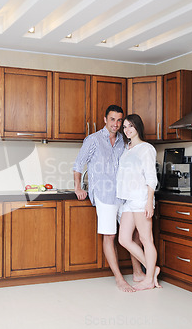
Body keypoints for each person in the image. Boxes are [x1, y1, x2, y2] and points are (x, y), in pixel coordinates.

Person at [73, 105, 144, 292]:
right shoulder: (93, 140)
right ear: (105, 120)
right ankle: (119, 279)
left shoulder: (124, 140)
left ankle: (138, 272)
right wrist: (78, 187)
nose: (116, 124)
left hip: (123, 194)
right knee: (110, 235)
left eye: (120, 120)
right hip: (104, 194)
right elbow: (79, 164)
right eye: (113, 119)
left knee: (134, 234)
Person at [116, 114, 161, 291]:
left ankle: (149, 279)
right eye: (125, 127)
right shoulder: (127, 149)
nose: (127, 130)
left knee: (145, 239)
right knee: (124, 239)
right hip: (128, 199)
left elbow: (151, 177)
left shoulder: (146, 148)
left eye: (130, 126)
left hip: (141, 198)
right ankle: (152, 270)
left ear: (138, 128)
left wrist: (149, 202)